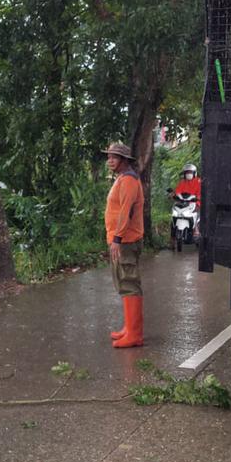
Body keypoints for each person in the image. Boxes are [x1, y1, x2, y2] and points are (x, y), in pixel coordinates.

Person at [103, 141, 145, 349]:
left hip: (126, 241)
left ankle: (135, 334)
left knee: (129, 283)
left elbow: (126, 211)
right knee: (123, 282)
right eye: (109, 156)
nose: (110, 160)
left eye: (114, 157)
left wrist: (117, 239)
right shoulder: (122, 178)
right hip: (121, 240)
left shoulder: (128, 180)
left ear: (124, 161)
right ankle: (129, 328)